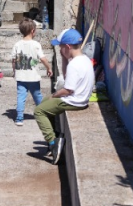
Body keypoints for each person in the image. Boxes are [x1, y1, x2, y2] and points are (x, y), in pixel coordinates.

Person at [33, 28, 93, 163]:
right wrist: (63, 58)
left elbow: (67, 90)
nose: (60, 49)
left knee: (38, 111)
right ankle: (55, 136)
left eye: (61, 47)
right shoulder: (84, 60)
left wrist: (54, 95)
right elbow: (67, 77)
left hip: (73, 101)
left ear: (67, 46)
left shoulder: (75, 65)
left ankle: (53, 143)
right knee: (44, 101)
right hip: (81, 99)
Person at [11, 18, 51, 126]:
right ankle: (43, 114)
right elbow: (43, 59)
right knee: (37, 96)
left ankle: (19, 118)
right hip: (33, 77)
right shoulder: (36, 45)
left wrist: (14, 71)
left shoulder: (17, 45)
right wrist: (49, 68)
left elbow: (14, 60)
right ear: (33, 31)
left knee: (21, 97)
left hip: (21, 77)